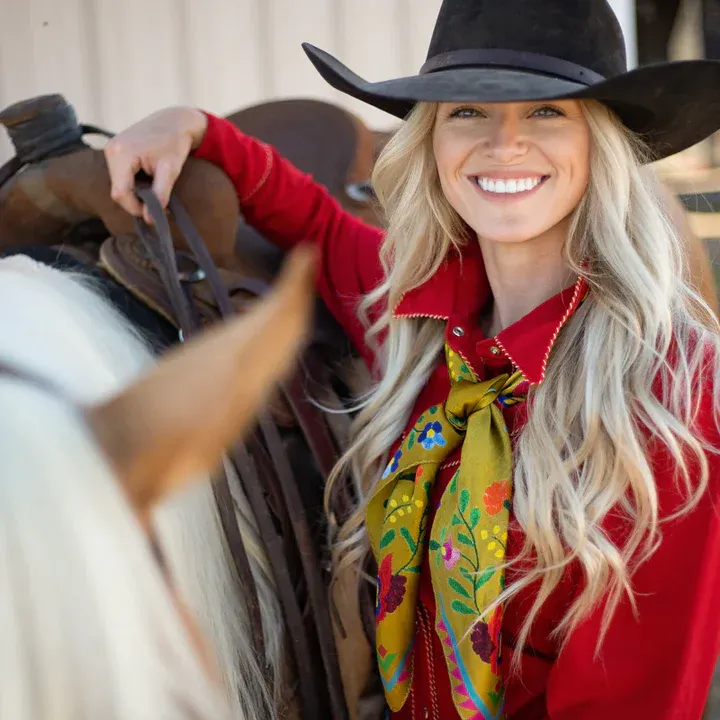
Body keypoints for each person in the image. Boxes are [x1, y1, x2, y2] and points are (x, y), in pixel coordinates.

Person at [104, 1, 720, 717]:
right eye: (469, 112)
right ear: (432, 139)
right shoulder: (426, 323)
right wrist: (197, 127)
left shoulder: (667, 392)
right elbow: (318, 224)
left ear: (600, 142)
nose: (505, 143)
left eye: (548, 111)